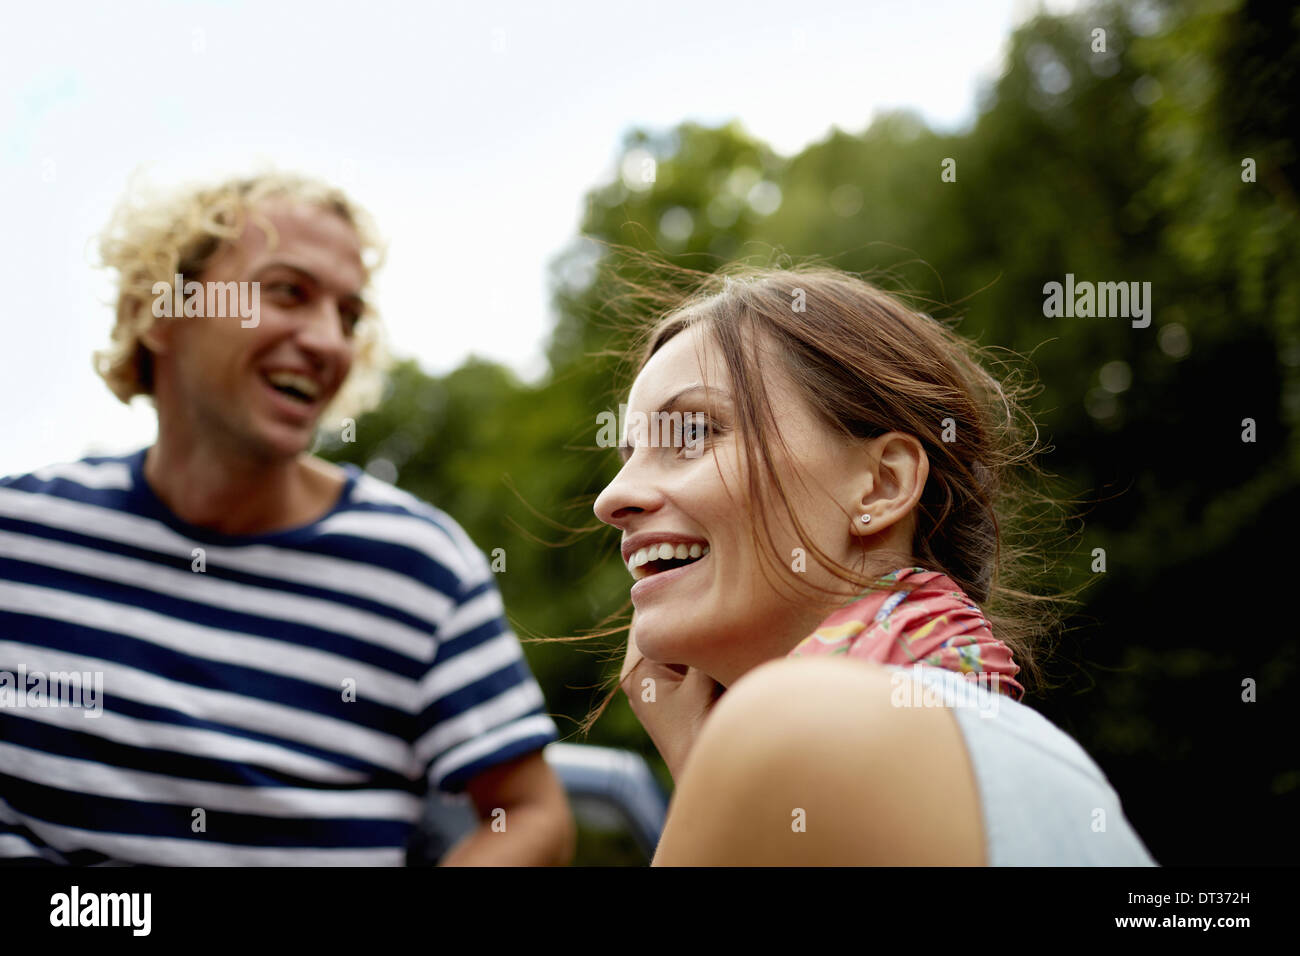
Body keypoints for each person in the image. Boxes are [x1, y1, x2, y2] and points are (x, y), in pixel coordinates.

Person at [0, 172, 574, 866]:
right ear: (160, 311)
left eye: (349, 316)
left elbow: (531, 813)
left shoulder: (419, 568)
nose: (331, 342)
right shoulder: (20, 536)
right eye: (287, 293)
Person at [593, 266, 1157, 866]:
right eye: (630, 456)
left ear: (882, 484)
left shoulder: (784, 726)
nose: (612, 499)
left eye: (695, 433)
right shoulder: (1047, 765)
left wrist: (705, 760)